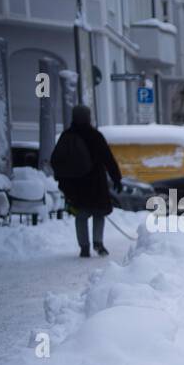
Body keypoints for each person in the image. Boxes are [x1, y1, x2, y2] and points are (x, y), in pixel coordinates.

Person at [50, 105, 122, 258]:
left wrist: (62, 180)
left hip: (75, 185)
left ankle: (84, 246)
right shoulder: (95, 136)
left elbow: (56, 160)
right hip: (96, 183)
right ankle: (98, 242)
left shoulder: (66, 136)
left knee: (81, 216)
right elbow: (107, 158)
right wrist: (116, 177)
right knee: (99, 213)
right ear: (88, 117)